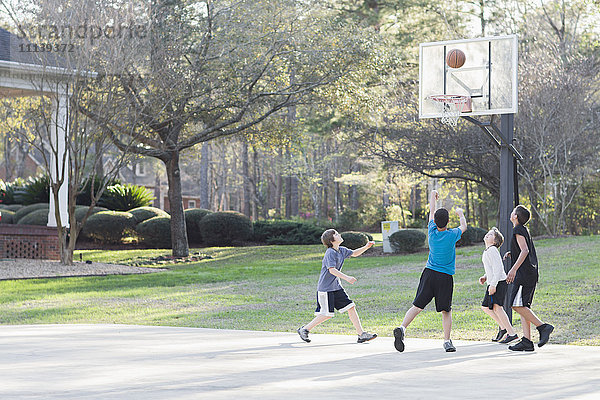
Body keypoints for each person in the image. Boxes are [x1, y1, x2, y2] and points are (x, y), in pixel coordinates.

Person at [393, 189, 467, 353]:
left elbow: (432, 212)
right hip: (445, 277)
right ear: (448, 222)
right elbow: (464, 226)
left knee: (417, 305)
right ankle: (447, 341)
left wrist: (432, 195)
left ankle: (402, 328)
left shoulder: (431, 232)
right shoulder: (452, 234)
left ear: (435, 221)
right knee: (446, 310)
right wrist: (460, 213)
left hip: (429, 274)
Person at [297, 229, 377, 344]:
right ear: (331, 240)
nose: (339, 235)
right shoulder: (330, 252)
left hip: (336, 287)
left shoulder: (341, 250)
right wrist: (347, 278)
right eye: (336, 234)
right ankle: (304, 329)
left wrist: (366, 246)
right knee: (326, 314)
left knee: (351, 307)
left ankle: (361, 334)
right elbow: (332, 270)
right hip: (326, 289)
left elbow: (354, 253)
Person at [504, 205, 554, 351]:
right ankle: (526, 341)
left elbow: (525, 250)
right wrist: (511, 254)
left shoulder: (518, 229)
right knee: (523, 306)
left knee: (516, 305)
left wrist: (512, 270)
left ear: (516, 217)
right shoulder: (524, 229)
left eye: (513, 212)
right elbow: (523, 249)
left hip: (524, 275)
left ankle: (543, 327)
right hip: (530, 273)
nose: (511, 213)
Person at [478, 227, 518, 344]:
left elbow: (499, 269)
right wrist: (485, 276)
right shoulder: (488, 251)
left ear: (495, 241)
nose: (487, 235)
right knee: (485, 307)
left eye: (491, 235)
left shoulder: (493, 250)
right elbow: (492, 268)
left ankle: (512, 334)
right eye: (488, 233)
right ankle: (503, 327)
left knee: (497, 307)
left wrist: (493, 285)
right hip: (493, 282)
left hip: (498, 283)